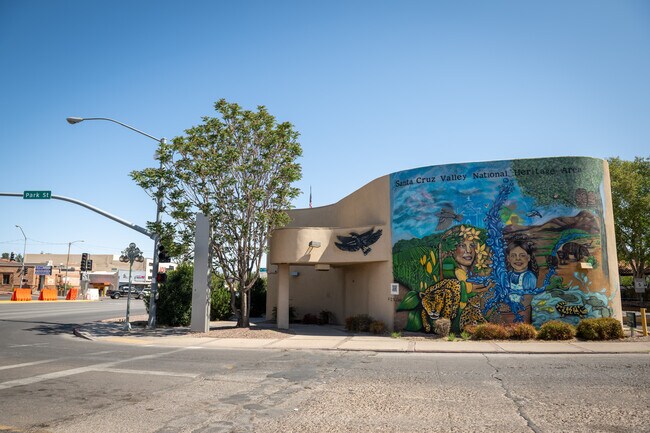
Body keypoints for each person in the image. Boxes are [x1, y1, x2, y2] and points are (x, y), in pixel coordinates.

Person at [505, 236, 539, 303]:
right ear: (508, 258)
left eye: (522, 255)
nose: (518, 259)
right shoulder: (509, 275)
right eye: (513, 255)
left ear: (528, 258)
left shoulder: (529, 277)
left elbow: (529, 299)